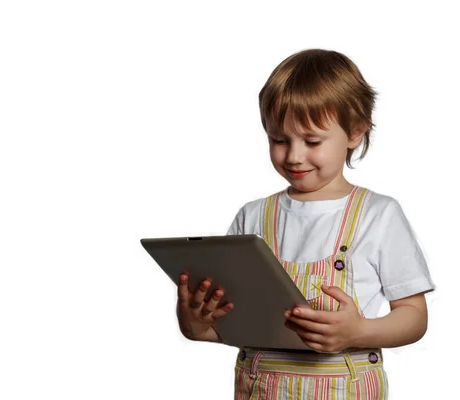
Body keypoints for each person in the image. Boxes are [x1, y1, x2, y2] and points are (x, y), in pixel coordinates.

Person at [176, 48, 435, 399]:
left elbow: (414, 316)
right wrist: (196, 326)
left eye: (312, 141)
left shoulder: (379, 215)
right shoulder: (252, 217)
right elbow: (237, 324)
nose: (294, 156)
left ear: (355, 132)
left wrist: (358, 332)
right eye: (279, 140)